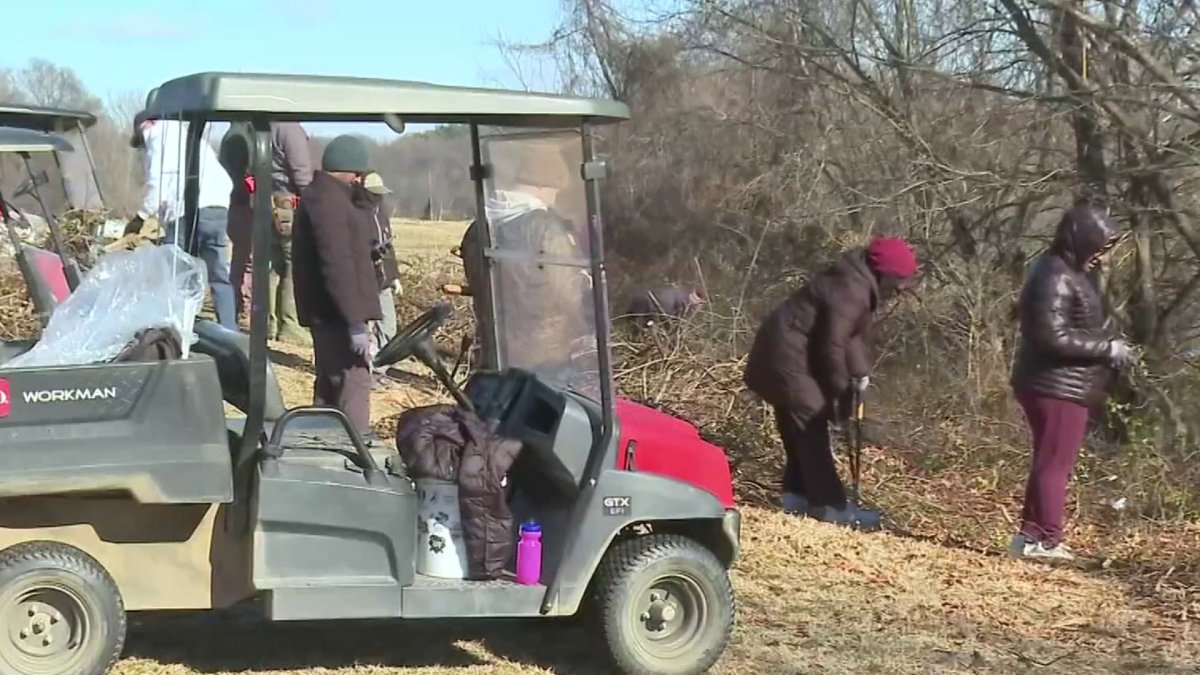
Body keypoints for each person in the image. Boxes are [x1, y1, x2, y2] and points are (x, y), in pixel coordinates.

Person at [743, 236, 919, 528]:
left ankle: (796, 497)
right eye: (900, 279)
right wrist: (841, 391)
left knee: (797, 423)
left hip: (785, 353)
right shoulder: (851, 290)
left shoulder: (857, 284)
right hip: (785, 357)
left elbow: (852, 338)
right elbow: (832, 346)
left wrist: (860, 374)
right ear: (884, 273)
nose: (902, 287)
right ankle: (830, 507)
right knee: (811, 421)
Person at [1008, 204, 1127, 562]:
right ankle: (1047, 539)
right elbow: (1052, 337)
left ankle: (1030, 536)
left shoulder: (1064, 272)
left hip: (1058, 383)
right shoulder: (1055, 275)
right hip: (1057, 385)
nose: (1102, 259)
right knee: (1056, 464)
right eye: (1100, 249)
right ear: (1083, 240)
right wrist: (1106, 348)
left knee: (1048, 461)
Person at [458, 140, 593, 389]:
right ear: (542, 184)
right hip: (544, 356)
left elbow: (479, 285)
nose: (555, 196)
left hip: (494, 348)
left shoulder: (477, 228)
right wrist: (585, 284)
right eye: (555, 188)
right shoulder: (545, 228)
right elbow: (566, 292)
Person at [292, 135, 381, 436]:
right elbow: (338, 265)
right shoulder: (328, 203)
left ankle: (323, 443)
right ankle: (355, 452)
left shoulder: (327, 197)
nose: (359, 180)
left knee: (330, 386)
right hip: (337, 316)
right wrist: (355, 323)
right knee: (353, 385)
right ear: (349, 171)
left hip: (329, 313)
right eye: (358, 173)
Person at [131, 112, 237, 330]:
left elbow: (156, 185)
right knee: (219, 275)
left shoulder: (156, 137)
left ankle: (181, 330)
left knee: (179, 277)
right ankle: (229, 328)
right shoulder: (190, 137)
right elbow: (224, 179)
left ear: (143, 128)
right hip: (217, 208)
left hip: (184, 212)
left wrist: (140, 217)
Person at [219, 122, 314, 342]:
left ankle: (268, 323)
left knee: (271, 266)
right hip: (288, 204)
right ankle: (290, 326)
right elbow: (302, 174)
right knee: (293, 264)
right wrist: (313, 204)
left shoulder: (259, 125)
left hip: (263, 202)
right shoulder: (290, 129)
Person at [355, 171, 402, 385]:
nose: (378, 197)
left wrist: (394, 277)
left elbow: (389, 248)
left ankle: (379, 370)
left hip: (383, 282)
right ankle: (366, 374)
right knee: (367, 333)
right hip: (363, 282)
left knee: (389, 328)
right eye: (374, 193)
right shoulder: (353, 214)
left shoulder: (381, 213)